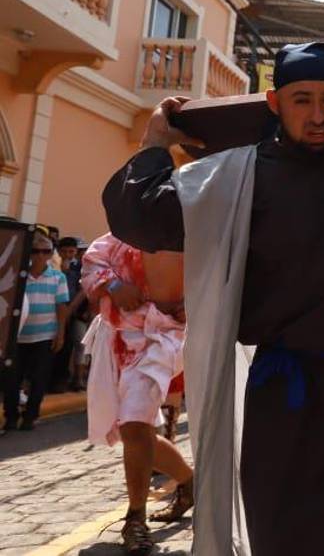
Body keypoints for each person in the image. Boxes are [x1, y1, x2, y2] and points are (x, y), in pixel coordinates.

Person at [101, 41, 324, 555]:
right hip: (285, 396)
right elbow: (141, 215)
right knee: (283, 530)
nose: (319, 115)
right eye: (302, 99)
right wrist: (153, 146)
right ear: (275, 102)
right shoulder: (238, 177)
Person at [80, 234, 193, 555]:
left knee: (133, 426)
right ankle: (189, 482)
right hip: (115, 338)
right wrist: (113, 286)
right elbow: (91, 266)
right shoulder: (118, 236)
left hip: (162, 339)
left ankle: (135, 518)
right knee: (137, 431)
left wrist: (192, 303)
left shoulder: (194, 231)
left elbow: (214, 282)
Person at [2, 232, 68, 432]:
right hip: (18, 337)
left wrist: (60, 333)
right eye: (35, 251)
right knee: (12, 379)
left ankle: (30, 417)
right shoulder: (18, 276)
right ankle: (11, 417)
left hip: (44, 336)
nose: (40, 255)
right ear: (29, 254)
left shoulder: (58, 277)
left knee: (39, 379)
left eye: (45, 251)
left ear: (50, 254)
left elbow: (61, 307)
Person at [50, 235, 86, 393]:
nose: (67, 255)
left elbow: (82, 290)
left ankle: (61, 379)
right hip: (52, 311)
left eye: (71, 251)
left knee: (68, 345)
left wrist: (70, 309)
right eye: (64, 251)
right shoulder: (53, 266)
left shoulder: (80, 268)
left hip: (72, 313)